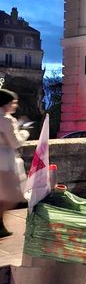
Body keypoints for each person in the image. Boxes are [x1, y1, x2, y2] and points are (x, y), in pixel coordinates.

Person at [0, 89, 28, 238]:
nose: (15, 105)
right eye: (13, 102)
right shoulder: (6, 119)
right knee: (10, 196)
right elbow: (15, 142)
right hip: (4, 162)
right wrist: (24, 133)